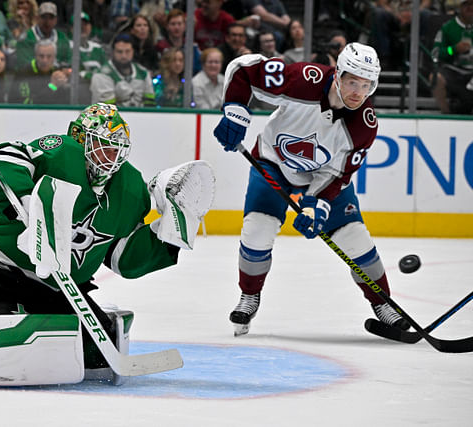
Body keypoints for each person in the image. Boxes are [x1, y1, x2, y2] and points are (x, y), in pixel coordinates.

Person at [0, 102, 212, 370]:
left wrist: (166, 232)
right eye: (104, 145)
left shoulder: (130, 187)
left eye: (117, 149)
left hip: (55, 286)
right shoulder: (59, 152)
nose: (111, 156)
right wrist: (26, 198)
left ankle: (35, 323)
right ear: (81, 138)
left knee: (98, 356)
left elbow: (123, 260)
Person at [212, 42, 411, 336]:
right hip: (273, 163)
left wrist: (316, 204)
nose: (358, 92)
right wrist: (235, 112)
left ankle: (382, 303)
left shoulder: (364, 125)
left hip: (321, 176)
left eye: (366, 85)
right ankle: (250, 294)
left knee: (355, 239)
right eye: (352, 81)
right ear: (339, 75)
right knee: (257, 230)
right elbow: (245, 69)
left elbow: (339, 173)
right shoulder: (305, 79)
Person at [90, 33, 156, 107]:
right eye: (119, 52)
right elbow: (108, 110)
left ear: (133, 52)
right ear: (113, 52)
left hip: (140, 117)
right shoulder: (101, 75)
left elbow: (150, 104)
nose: (124, 56)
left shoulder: (143, 73)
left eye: (127, 51)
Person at [431, 0, 473, 114]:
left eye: (472, 4)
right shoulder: (448, 27)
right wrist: (453, 49)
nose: (470, 7)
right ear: (459, 7)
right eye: (466, 4)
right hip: (454, 70)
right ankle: (446, 114)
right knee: (436, 78)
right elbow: (435, 53)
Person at [14, 2, 72, 71]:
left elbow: (68, 62)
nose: (47, 21)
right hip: (33, 79)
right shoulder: (26, 38)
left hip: (57, 80)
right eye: (43, 17)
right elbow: (23, 65)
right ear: (37, 18)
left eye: (51, 17)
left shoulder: (62, 38)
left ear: (56, 20)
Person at [11, 39, 70, 104]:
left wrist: (67, 85)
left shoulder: (60, 71)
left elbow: (78, 104)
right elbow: (23, 103)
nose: (45, 60)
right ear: (35, 56)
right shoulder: (23, 73)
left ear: (54, 57)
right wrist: (53, 86)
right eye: (41, 56)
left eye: (49, 56)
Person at [155, 8, 201, 75]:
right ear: (167, 26)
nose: (176, 27)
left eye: (179, 24)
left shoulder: (192, 47)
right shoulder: (160, 47)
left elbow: (198, 69)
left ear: (184, 26)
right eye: (173, 24)